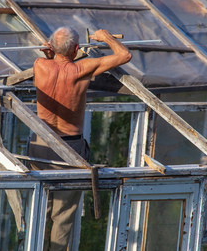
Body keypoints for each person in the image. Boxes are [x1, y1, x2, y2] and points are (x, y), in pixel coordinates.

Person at [28, 26, 131, 251]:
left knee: (39, 207)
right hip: (70, 146)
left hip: (40, 143)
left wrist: (50, 52)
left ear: (52, 47)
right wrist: (107, 37)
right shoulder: (81, 69)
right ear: (76, 49)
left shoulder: (39, 65)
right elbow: (124, 55)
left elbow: (50, 60)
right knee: (62, 216)